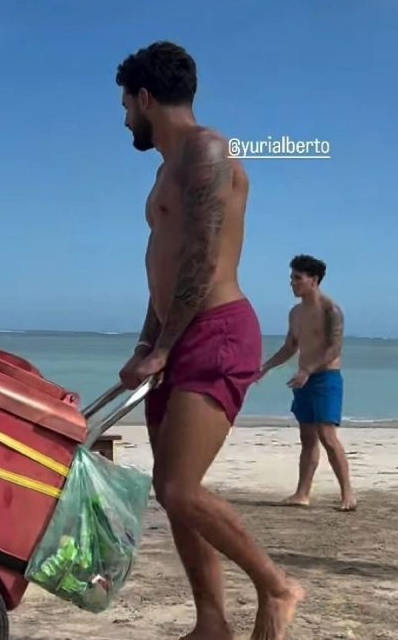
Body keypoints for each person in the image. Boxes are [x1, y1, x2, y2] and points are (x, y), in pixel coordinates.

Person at [115, 41, 304, 640]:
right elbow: (163, 269)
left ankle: (277, 586)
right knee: (175, 496)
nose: (124, 120)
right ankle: (211, 622)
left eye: (125, 106)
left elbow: (200, 256)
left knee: (178, 487)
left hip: (217, 333)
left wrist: (168, 346)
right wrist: (147, 344)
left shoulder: (207, 151)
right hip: (177, 335)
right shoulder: (166, 168)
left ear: (146, 98)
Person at [260, 254, 356, 511]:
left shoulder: (330, 310)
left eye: (297, 278)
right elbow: (290, 346)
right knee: (307, 437)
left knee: (327, 435)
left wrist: (308, 370)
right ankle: (302, 493)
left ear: (313, 280)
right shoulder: (295, 313)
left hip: (326, 378)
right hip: (304, 379)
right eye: (291, 278)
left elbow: (334, 348)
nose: (292, 283)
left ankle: (348, 494)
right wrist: (266, 366)